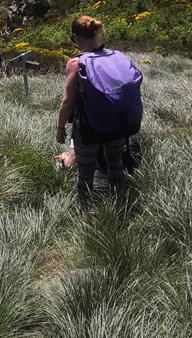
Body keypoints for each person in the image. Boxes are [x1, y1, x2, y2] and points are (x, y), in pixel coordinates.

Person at [56, 15, 143, 204]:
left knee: (85, 174)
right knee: (115, 165)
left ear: (77, 37)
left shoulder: (75, 63)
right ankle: (118, 202)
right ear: (97, 34)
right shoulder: (116, 55)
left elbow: (67, 101)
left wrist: (60, 128)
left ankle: (86, 210)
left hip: (89, 128)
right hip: (118, 123)